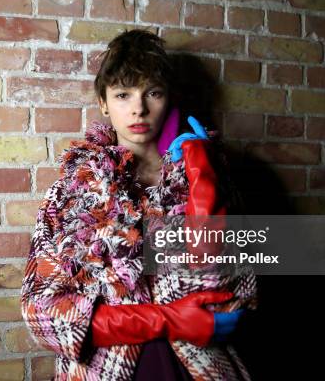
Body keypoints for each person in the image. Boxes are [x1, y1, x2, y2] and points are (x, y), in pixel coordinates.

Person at [21, 29, 257, 380]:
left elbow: (236, 297)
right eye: (122, 94)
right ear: (103, 102)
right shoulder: (70, 193)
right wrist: (164, 319)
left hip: (198, 368)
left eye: (153, 93)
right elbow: (41, 313)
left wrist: (202, 182)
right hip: (102, 371)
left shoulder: (207, 177)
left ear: (169, 100)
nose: (139, 108)